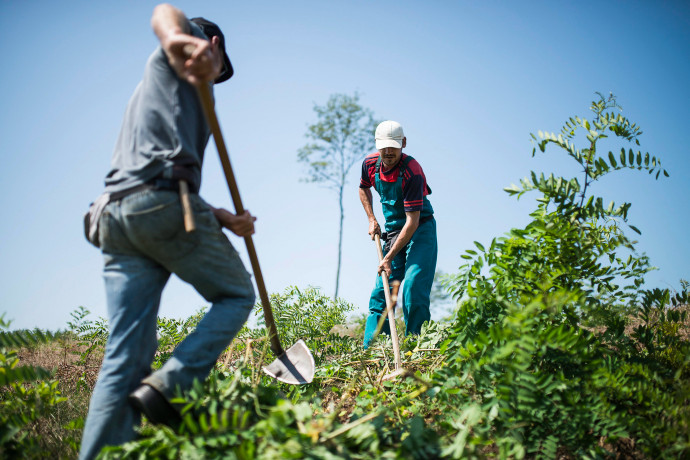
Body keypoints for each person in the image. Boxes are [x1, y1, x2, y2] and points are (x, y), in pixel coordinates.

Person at [79, 4, 256, 459]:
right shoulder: (177, 56)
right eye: (220, 68)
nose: (216, 78)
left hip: (117, 216)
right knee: (237, 294)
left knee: (123, 358)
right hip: (154, 207)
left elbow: (164, 175)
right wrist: (186, 42)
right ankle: (169, 386)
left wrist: (223, 217)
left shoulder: (180, 100)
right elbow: (165, 13)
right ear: (214, 46)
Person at [359, 120, 437, 348]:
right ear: (377, 145)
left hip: (420, 230)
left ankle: (418, 346)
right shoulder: (370, 164)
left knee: (413, 287)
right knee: (381, 292)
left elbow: (412, 222)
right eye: (384, 146)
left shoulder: (412, 171)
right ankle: (374, 349)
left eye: (393, 146)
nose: (388, 152)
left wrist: (388, 257)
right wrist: (372, 218)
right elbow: (363, 187)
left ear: (403, 143)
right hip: (394, 233)